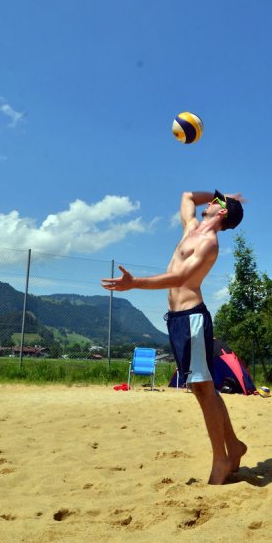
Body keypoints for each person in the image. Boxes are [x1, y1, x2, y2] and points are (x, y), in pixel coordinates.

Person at [101, 190, 247, 484]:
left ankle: (221, 458)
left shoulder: (209, 243)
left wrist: (135, 284)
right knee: (203, 389)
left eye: (216, 202)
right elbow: (187, 195)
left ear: (221, 214)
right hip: (177, 320)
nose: (210, 201)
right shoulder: (191, 228)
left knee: (204, 390)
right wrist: (222, 193)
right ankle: (234, 446)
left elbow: (181, 279)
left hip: (192, 319)